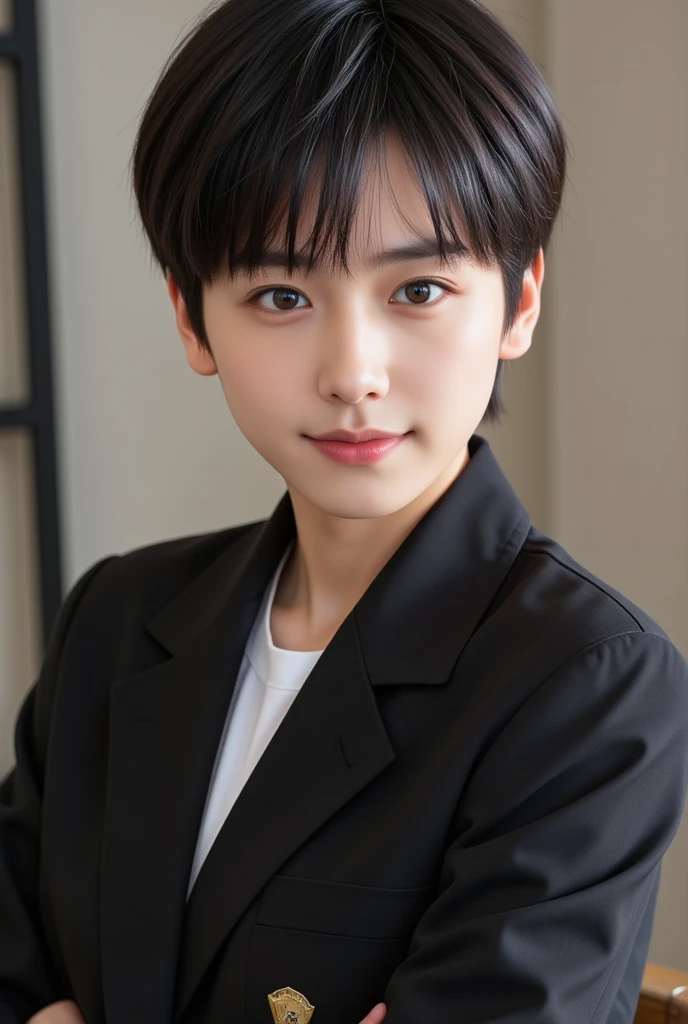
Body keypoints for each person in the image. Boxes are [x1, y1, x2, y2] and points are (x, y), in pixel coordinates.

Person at [2, 0, 688, 1021]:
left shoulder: (585, 678)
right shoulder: (117, 617)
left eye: (416, 289)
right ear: (193, 316)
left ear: (519, 301)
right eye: (281, 295)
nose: (351, 373)